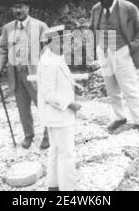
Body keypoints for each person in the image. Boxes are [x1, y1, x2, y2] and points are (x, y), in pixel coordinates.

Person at [89, 0, 139, 136]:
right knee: (111, 89)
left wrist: (131, 48)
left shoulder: (128, 7)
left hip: (122, 51)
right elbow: (92, 28)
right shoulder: (96, 9)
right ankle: (120, 117)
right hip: (104, 52)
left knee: (129, 89)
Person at [0, 0, 50, 150]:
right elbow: (4, 50)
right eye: (15, 7)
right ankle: (28, 135)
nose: (18, 11)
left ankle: (48, 134)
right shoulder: (7, 28)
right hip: (16, 75)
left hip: (35, 74)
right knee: (23, 107)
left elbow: (48, 49)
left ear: (28, 8)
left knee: (43, 105)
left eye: (21, 7)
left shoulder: (40, 26)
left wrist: (45, 67)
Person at [37, 25, 81, 191]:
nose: (66, 44)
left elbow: (61, 80)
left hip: (57, 115)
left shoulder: (56, 57)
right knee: (67, 154)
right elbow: (48, 94)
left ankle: (53, 186)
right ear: (51, 42)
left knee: (55, 150)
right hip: (59, 115)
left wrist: (74, 85)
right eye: (62, 41)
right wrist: (71, 104)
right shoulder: (49, 62)